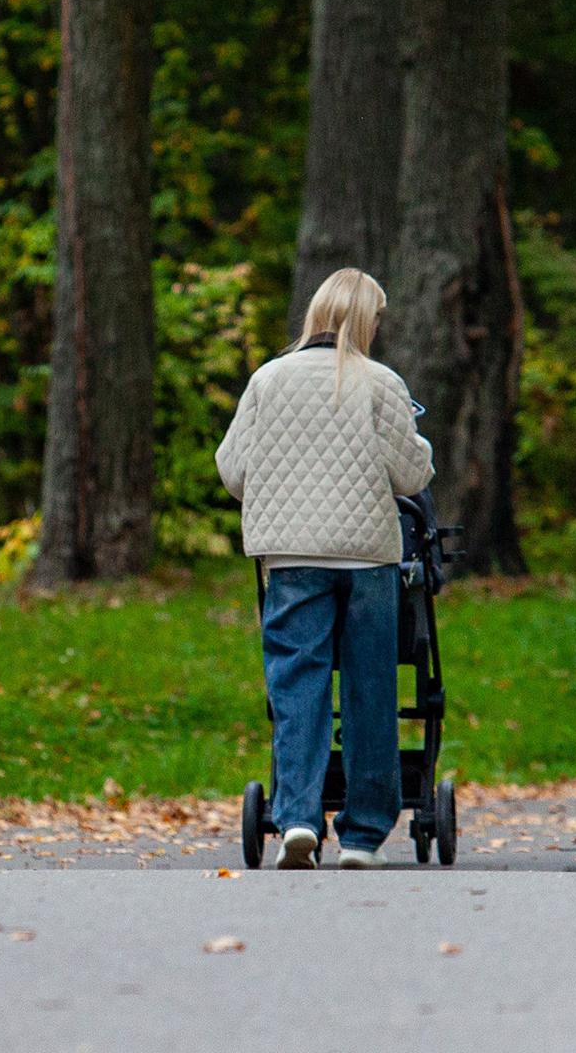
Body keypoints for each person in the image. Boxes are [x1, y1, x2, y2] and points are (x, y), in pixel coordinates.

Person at [215, 267, 433, 870]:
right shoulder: (381, 382)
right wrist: (425, 449)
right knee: (370, 690)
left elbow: (232, 472)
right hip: (367, 557)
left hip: (290, 557)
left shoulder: (267, 379)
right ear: (366, 319)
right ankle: (362, 836)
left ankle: (298, 819)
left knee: (298, 686)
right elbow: (411, 476)